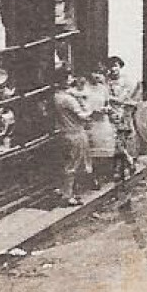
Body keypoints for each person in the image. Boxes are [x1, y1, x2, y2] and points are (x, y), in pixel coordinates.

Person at [53, 72, 92, 205]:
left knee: (66, 163)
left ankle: (64, 191)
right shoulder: (68, 99)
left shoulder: (56, 96)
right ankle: (68, 195)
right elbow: (84, 115)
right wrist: (88, 107)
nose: (72, 79)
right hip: (74, 132)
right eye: (68, 77)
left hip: (63, 132)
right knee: (73, 164)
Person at [104, 56, 141, 182]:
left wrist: (113, 99)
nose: (113, 69)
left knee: (123, 140)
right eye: (110, 67)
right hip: (111, 115)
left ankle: (124, 166)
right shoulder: (106, 82)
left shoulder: (128, 82)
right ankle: (123, 164)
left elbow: (129, 100)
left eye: (115, 66)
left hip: (124, 114)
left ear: (120, 66)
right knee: (115, 141)